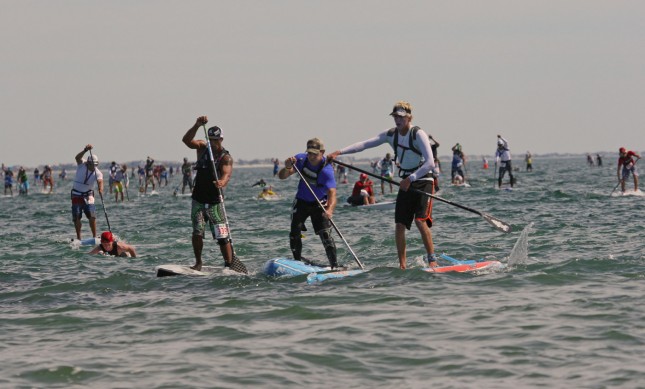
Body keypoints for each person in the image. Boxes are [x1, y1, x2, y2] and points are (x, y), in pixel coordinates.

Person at [329, 100, 437, 269]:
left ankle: (432, 260)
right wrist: (339, 152)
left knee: (420, 221)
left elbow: (430, 163)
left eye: (401, 117)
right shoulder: (391, 134)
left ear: (409, 118)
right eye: (395, 117)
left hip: (423, 179)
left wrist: (411, 179)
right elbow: (364, 145)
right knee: (400, 224)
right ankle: (402, 265)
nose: (397, 120)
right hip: (406, 181)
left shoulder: (418, 134)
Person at [182, 115, 245, 273]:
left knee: (222, 236)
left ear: (221, 140)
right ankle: (198, 263)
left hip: (215, 202)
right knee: (197, 232)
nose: (212, 142)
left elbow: (226, 174)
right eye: (210, 139)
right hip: (198, 199)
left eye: (215, 140)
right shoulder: (202, 148)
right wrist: (196, 125)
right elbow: (186, 141)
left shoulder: (226, 157)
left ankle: (229, 264)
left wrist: (222, 182)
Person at [278, 138, 340, 268]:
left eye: (314, 154)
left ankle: (334, 266)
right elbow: (282, 176)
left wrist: (329, 210)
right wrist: (288, 167)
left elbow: (332, 193)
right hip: (302, 201)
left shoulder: (326, 170)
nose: (311, 156)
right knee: (295, 232)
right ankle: (297, 263)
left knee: (325, 235)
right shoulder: (300, 160)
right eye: (309, 153)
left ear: (322, 152)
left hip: (319, 203)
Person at [71, 144, 104, 240]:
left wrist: (101, 189)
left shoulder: (98, 173)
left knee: (92, 216)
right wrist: (85, 150)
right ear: (88, 163)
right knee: (76, 217)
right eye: (92, 165)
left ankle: (94, 236)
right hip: (76, 195)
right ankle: (79, 238)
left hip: (88, 196)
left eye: (95, 165)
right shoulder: (82, 164)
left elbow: (100, 181)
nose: (93, 167)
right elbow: (77, 157)